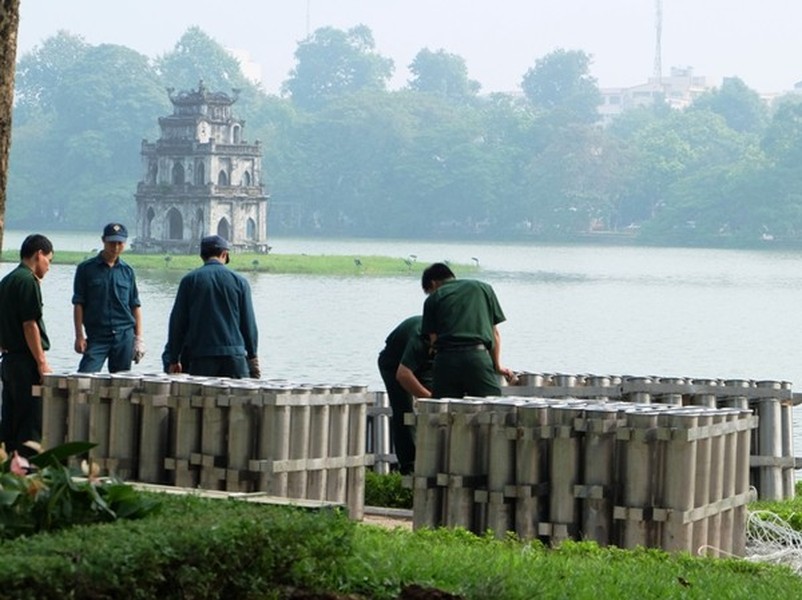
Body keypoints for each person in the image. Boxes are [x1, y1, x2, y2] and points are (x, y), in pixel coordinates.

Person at [166, 235, 260, 378]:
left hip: (201, 356)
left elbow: (178, 323)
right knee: (236, 400)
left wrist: (174, 358)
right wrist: (253, 356)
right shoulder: (240, 282)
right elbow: (248, 324)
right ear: (224, 254)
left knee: (201, 400)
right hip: (234, 357)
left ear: (202, 255)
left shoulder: (190, 281)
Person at [420, 262, 514, 399]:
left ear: (433, 284)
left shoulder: (433, 298)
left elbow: (434, 340)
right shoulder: (483, 288)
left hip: (447, 361)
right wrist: (497, 366)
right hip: (478, 358)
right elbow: (495, 334)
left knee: (444, 411)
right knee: (491, 406)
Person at [0, 234, 54, 457]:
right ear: (38, 255)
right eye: (48, 260)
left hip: (8, 359)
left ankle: (7, 465)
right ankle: (27, 470)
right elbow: (30, 324)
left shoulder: (7, 280)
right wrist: (41, 362)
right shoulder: (27, 281)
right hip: (25, 360)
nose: (48, 267)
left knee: (10, 417)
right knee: (29, 419)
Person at [72, 223, 145, 373]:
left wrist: (139, 338)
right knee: (85, 377)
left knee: (121, 384)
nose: (116, 247)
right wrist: (79, 335)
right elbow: (79, 303)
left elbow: (135, 306)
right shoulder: (86, 269)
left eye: (120, 243)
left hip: (124, 334)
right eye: (112, 243)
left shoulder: (128, 271)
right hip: (97, 334)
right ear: (103, 240)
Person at [377, 315, 433, 475]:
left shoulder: (448, 336)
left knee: (437, 406)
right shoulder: (419, 336)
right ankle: (409, 466)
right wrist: (426, 397)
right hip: (393, 362)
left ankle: (434, 460)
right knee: (404, 411)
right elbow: (403, 375)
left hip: (425, 360)